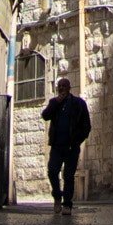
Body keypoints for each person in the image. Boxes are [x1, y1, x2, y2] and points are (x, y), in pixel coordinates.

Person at [42, 75, 91, 208]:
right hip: (57, 146)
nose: (62, 88)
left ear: (69, 88)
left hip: (72, 147)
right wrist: (57, 102)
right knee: (52, 171)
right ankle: (57, 195)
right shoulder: (54, 103)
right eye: (60, 86)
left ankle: (67, 204)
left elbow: (86, 125)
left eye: (64, 86)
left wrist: (77, 140)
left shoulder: (78, 103)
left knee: (68, 176)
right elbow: (45, 116)